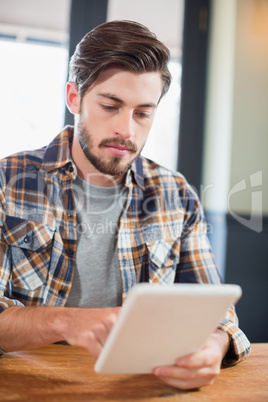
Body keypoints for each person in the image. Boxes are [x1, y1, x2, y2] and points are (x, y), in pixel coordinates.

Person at [0, 20, 250, 390]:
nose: (127, 130)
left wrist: (213, 347)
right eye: (110, 106)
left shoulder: (176, 194)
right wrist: (65, 322)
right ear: (73, 97)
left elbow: (217, 312)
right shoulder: (8, 182)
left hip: (140, 387)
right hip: (28, 386)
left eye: (142, 113)